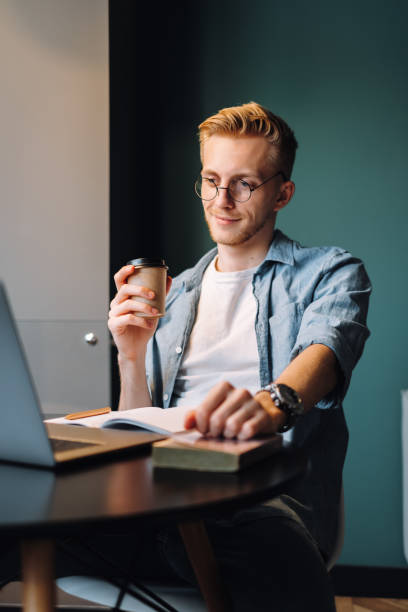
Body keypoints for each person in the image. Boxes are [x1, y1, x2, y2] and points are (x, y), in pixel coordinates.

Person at [0, 102, 370, 611]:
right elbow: (140, 424)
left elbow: (324, 353)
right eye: (211, 180)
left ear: (281, 193)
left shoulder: (330, 272)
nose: (222, 200)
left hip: (258, 509)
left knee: (271, 551)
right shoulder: (174, 295)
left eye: (244, 183)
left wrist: (269, 406)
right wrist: (130, 356)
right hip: (157, 506)